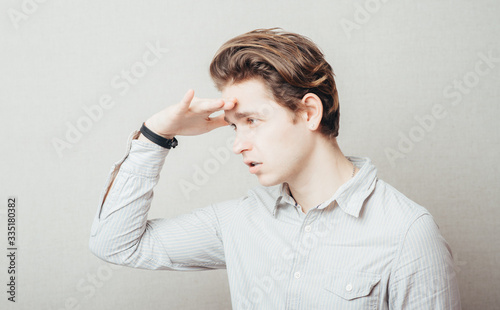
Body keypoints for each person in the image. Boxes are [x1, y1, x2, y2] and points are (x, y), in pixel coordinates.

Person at [89, 28, 461, 309]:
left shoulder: (407, 233)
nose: (238, 145)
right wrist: (156, 135)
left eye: (253, 120)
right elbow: (116, 244)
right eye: (235, 126)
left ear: (309, 112)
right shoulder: (238, 222)